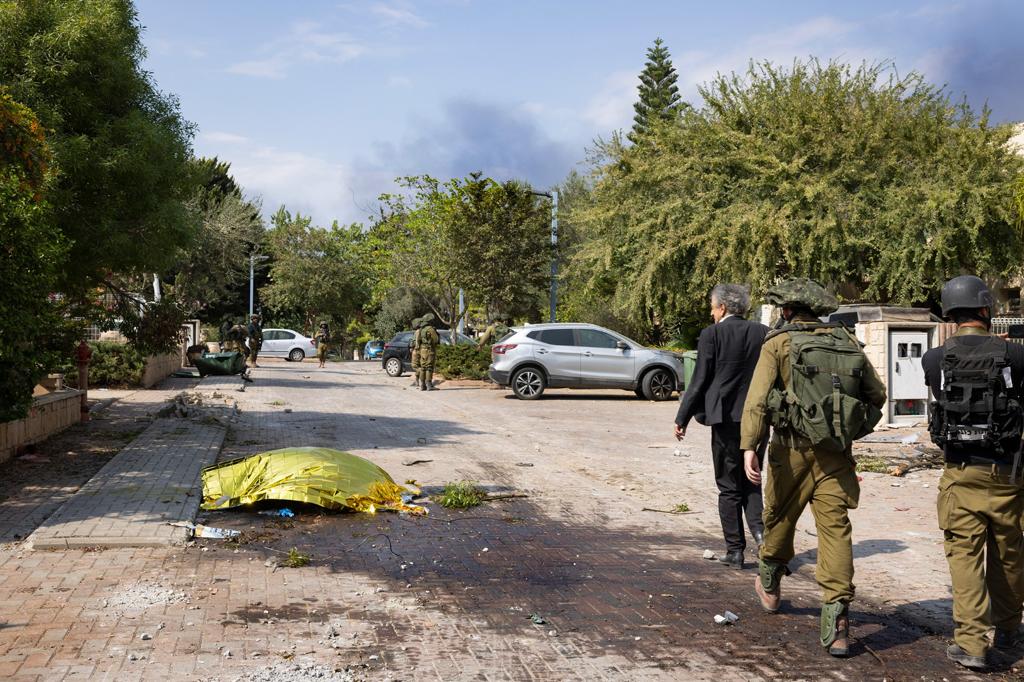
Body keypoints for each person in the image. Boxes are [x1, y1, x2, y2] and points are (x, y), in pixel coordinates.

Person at [740, 278, 886, 657]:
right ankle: (837, 622)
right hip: (836, 454)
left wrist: (748, 448)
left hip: (789, 450)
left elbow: (756, 402)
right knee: (836, 531)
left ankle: (769, 586)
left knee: (780, 519)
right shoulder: (846, 341)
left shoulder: (778, 343)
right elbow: (877, 395)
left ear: (786, 311)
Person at [924, 275, 1024, 670]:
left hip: (960, 473)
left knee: (964, 557)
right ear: (987, 309)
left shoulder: (935, 359)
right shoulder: (1016, 355)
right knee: (1009, 554)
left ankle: (971, 644)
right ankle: (1009, 629)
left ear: (951, 313)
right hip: (1008, 473)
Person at [674, 284, 768, 569]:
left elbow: (699, 379)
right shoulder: (762, 333)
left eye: (713, 307)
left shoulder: (711, 334)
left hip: (725, 417)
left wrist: (682, 418)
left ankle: (735, 550)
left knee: (728, 485)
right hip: (756, 418)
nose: (711, 313)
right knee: (752, 479)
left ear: (723, 308)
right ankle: (763, 540)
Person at [417, 313, 440, 391]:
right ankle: (429, 385)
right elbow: (436, 340)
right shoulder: (430, 329)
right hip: (429, 350)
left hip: (422, 350)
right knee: (429, 367)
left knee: (423, 367)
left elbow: (418, 340)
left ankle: (422, 385)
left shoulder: (421, 329)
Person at [410, 317, 423, 387]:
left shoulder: (417, 332)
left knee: (415, 366)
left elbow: (413, 342)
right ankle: (417, 381)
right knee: (420, 365)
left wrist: (411, 347)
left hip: (417, 350)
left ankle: (421, 380)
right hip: (424, 351)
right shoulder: (426, 331)